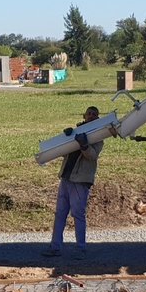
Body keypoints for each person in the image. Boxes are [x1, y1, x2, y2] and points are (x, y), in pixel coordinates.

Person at [46, 106, 103, 257]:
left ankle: (81, 248)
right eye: (89, 113)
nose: (91, 115)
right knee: (60, 214)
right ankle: (55, 247)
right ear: (84, 116)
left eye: (94, 114)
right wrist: (66, 138)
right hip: (67, 177)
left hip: (80, 180)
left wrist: (84, 145)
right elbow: (64, 153)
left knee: (78, 214)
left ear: (97, 118)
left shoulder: (98, 136)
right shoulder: (77, 132)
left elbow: (92, 156)